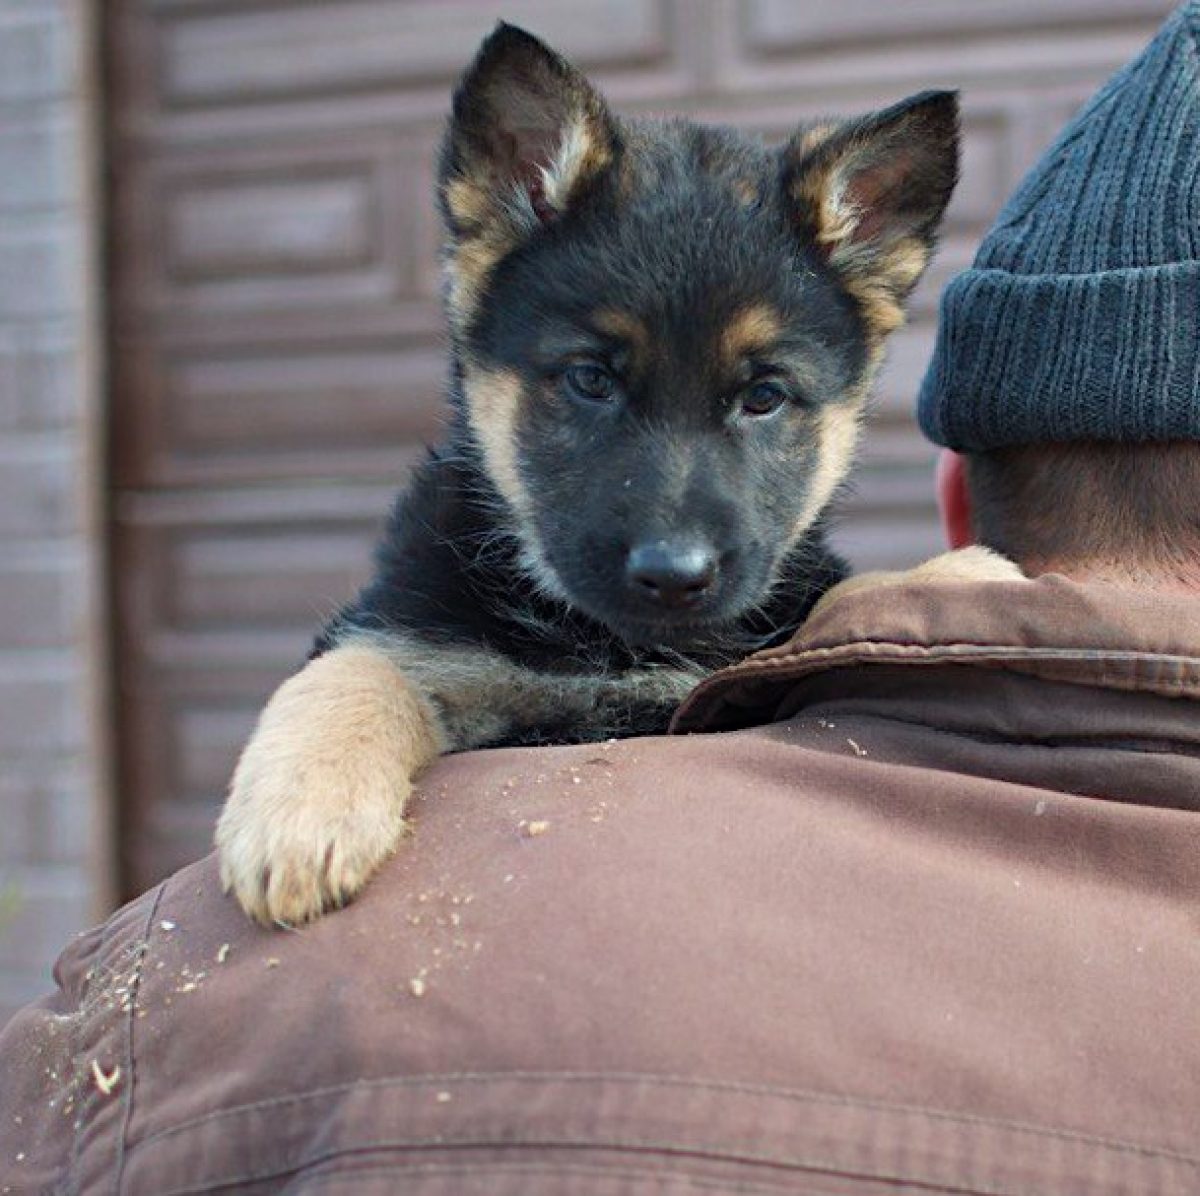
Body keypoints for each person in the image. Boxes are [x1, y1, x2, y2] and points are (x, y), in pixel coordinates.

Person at [3, 4, 1198, 1193]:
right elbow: (392, 670)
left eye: (762, 398)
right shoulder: (441, 602)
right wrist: (350, 707)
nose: (676, 538)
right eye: (592, 380)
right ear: (490, 285)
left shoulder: (846, 627)